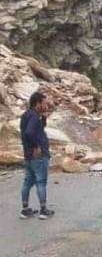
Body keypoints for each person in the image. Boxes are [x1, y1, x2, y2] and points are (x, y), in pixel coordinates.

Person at [19, 92, 55, 220]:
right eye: (44, 103)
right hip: (37, 156)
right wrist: (36, 146)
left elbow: (38, 129)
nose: (46, 105)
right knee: (41, 181)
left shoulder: (27, 115)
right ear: (38, 103)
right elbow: (29, 133)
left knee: (28, 181)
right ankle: (43, 210)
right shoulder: (34, 116)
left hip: (28, 155)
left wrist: (44, 117)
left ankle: (25, 210)